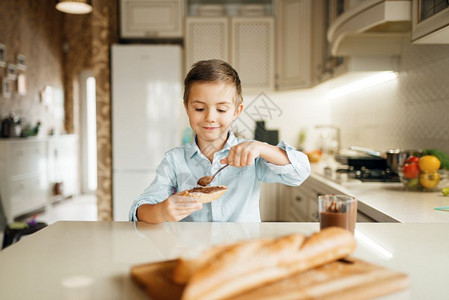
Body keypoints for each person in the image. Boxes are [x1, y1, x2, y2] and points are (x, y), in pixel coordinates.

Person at [129, 59, 311, 223]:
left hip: (242, 251)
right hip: (194, 253)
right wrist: (160, 212)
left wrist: (262, 147)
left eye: (221, 110)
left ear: (237, 111)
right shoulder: (175, 160)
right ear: (187, 108)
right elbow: (139, 209)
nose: (210, 117)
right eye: (200, 108)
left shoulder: (252, 155)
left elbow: (300, 173)